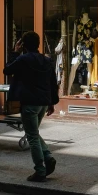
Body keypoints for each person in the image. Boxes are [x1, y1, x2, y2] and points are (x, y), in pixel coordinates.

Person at [4, 31, 59, 182]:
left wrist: (15, 52)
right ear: (38, 44)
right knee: (33, 132)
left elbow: (7, 70)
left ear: (23, 45)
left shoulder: (23, 59)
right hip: (42, 103)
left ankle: (40, 171)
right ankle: (47, 156)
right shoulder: (46, 60)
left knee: (32, 137)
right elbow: (52, 83)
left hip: (29, 103)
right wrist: (52, 102)